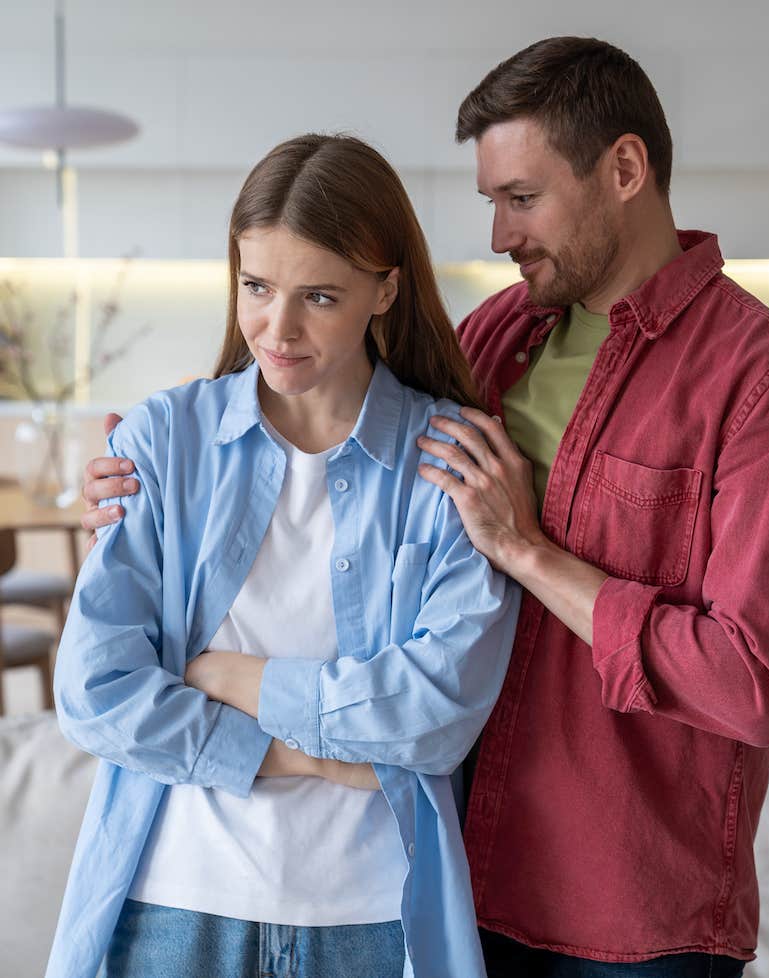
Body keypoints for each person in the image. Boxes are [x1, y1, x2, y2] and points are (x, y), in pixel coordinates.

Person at [82, 36, 769, 978]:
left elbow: (752, 687)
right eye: (491, 202)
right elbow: (308, 398)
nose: (499, 234)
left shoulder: (757, 378)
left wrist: (528, 553)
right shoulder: (496, 340)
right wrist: (139, 469)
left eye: (522, 199)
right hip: (460, 879)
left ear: (626, 169)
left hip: (637, 912)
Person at [49, 133, 520, 978]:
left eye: (320, 297)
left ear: (385, 289)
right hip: (176, 902)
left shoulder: (452, 459)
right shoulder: (163, 438)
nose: (278, 328)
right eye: (256, 287)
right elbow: (94, 689)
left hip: (374, 917)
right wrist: (306, 756)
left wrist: (228, 677)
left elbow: (440, 709)